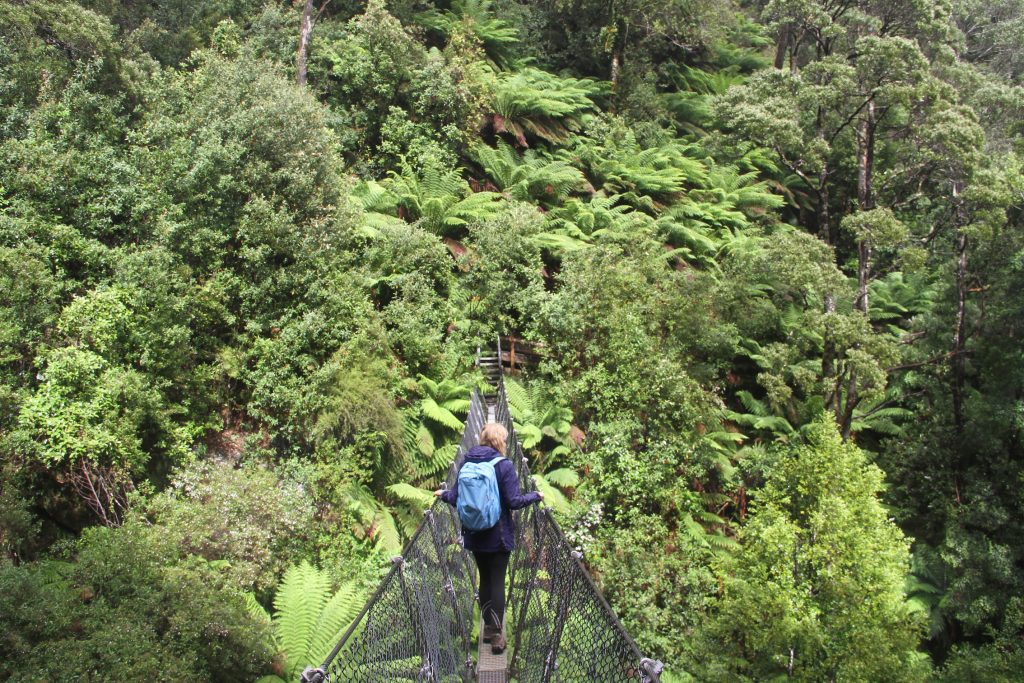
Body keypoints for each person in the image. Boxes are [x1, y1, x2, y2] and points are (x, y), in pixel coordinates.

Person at [435, 422, 543, 655]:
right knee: (497, 582)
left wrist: (443, 494)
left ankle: (487, 628)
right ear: (501, 441)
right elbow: (514, 502)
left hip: (474, 534)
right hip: (498, 534)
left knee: (484, 579)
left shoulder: (467, 462)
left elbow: (456, 496)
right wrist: (536, 495)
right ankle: (496, 635)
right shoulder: (503, 466)